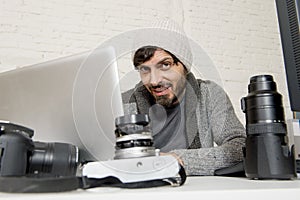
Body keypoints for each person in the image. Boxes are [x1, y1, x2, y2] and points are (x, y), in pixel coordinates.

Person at [122, 20, 246, 176]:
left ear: (184, 66)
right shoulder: (125, 103)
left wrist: (178, 160)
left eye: (165, 65)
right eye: (145, 69)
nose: (154, 80)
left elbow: (240, 146)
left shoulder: (209, 94)